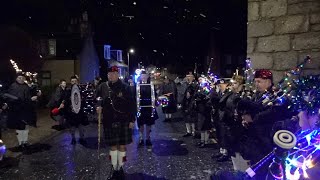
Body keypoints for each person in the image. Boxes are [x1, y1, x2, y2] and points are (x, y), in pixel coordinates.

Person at [96, 66, 136, 179]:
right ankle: (114, 167)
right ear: (107, 75)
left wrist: (132, 119)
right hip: (109, 120)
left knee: (122, 146)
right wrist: (98, 106)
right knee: (113, 146)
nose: (112, 75)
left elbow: (132, 105)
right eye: (110, 73)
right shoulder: (102, 86)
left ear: (118, 74)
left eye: (114, 73)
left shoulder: (125, 87)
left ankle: (121, 167)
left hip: (123, 120)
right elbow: (97, 98)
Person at [7, 73, 38, 151]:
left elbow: (28, 95)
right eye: (19, 78)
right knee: (19, 127)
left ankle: (25, 142)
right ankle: (21, 143)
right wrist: (30, 99)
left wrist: (36, 95)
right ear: (16, 79)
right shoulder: (13, 86)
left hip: (26, 110)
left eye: (22, 78)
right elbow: (17, 99)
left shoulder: (26, 86)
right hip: (17, 111)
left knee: (25, 126)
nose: (21, 79)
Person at [136, 71, 158, 147]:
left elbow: (154, 95)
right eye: (142, 76)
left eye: (145, 75)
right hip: (140, 107)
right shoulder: (137, 85)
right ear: (141, 77)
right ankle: (141, 138)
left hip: (149, 107)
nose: (144, 77)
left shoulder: (151, 85)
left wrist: (154, 103)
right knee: (140, 124)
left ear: (147, 76)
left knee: (149, 124)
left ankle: (148, 138)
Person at [64, 76, 89, 145]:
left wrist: (82, 101)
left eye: (75, 81)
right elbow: (66, 101)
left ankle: (82, 138)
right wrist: (69, 106)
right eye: (72, 81)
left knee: (81, 127)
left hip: (80, 113)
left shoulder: (81, 91)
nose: (74, 83)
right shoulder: (68, 91)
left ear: (77, 82)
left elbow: (84, 101)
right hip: (72, 113)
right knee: (72, 127)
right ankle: (73, 138)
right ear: (70, 82)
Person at [182, 73, 198, 137]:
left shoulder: (195, 84)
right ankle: (188, 131)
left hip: (192, 103)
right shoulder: (186, 84)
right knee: (186, 119)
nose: (188, 78)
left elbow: (195, 92)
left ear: (193, 78)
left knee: (192, 119)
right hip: (186, 103)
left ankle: (194, 132)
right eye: (187, 76)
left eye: (190, 77)